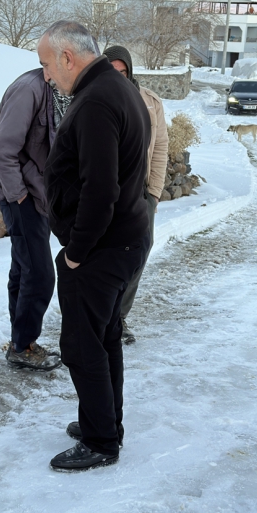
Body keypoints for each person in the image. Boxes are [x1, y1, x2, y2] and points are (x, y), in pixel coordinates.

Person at [39, 21, 150, 471]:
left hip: (102, 247)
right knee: (104, 338)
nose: (47, 75)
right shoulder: (116, 88)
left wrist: (77, 250)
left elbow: (100, 188)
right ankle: (104, 421)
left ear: (68, 57)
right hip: (123, 239)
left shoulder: (97, 101)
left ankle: (101, 440)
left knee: (83, 345)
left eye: (47, 65)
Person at [0, 67, 63, 372]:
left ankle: (21, 342)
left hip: (39, 196)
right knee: (40, 273)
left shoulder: (59, 90)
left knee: (23, 269)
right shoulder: (29, 89)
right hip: (22, 197)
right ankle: (22, 345)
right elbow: (3, 148)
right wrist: (19, 195)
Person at [102, 44, 169, 346]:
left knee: (139, 253)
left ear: (130, 72)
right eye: (111, 71)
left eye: (123, 72)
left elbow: (160, 149)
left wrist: (153, 193)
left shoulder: (150, 103)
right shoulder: (94, 100)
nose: (118, 77)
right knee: (105, 256)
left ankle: (118, 316)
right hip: (106, 195)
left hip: (140, 195)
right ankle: (100, 314)